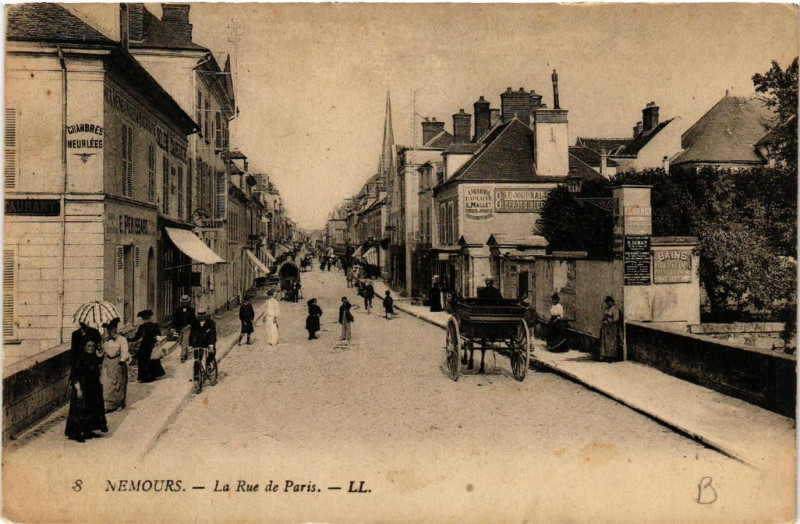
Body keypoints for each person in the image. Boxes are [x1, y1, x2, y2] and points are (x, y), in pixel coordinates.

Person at [65, 338, 107, 442]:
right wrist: (78, 389)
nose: (91, 348)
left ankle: (88, 430)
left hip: (92, 388)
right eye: (89, 346)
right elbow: (74, 375)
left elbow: (98, 362)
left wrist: (100, 351)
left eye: (93, 346)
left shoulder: (92, 357)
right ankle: (77, 433)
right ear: (84, 347)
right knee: (79, 410)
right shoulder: (79, 359)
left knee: (91, 409)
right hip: (82, 387)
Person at [100, 318, 131, 412]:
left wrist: (121, 361)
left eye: (112, 328)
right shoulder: (105, 340)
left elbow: (125, 351)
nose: (110, 331)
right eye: (109, 329)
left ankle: (119, 404)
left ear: (116, 328)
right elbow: (102, 352)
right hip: (107, 364)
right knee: (106, 384)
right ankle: (108, 405)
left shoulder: (121, 339)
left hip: (118, 363)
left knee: (118, 385)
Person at [127, 310, 166, 383]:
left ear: (143, 318)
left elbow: (137, 337)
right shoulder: (154, 326)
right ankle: (152, 375)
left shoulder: (142, 327)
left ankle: (144, 377)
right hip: (151, 344)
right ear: (149, 318)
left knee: (143, 360)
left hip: (144, 345)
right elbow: (158, 335)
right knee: (151, 360)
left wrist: (129, 339)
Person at [173, 295, 196, 363]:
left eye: (186, 302)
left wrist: (190, 325)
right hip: (179, 328)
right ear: (181, 302)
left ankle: (182, 356)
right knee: (180, 342)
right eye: (183, 302)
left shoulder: (191, 310)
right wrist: (172, 327)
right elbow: (175, 319)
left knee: (184, 342)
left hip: (187, 328)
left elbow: (194, 320)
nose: (184, 303)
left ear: (188, 302)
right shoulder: (178, 310)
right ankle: (185, 353)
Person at [598, 296, 622, 362]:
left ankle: (612, 356)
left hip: (612, 328)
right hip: (606, 327)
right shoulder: (607, 309)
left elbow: (616, 319)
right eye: (607, 303)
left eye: (610, 302)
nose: (609, 304)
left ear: (612, 302)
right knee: (605, 342)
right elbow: (604, 317)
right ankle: (605, 355)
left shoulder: (615, 310)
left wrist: (609, 320)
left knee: (612, 342)